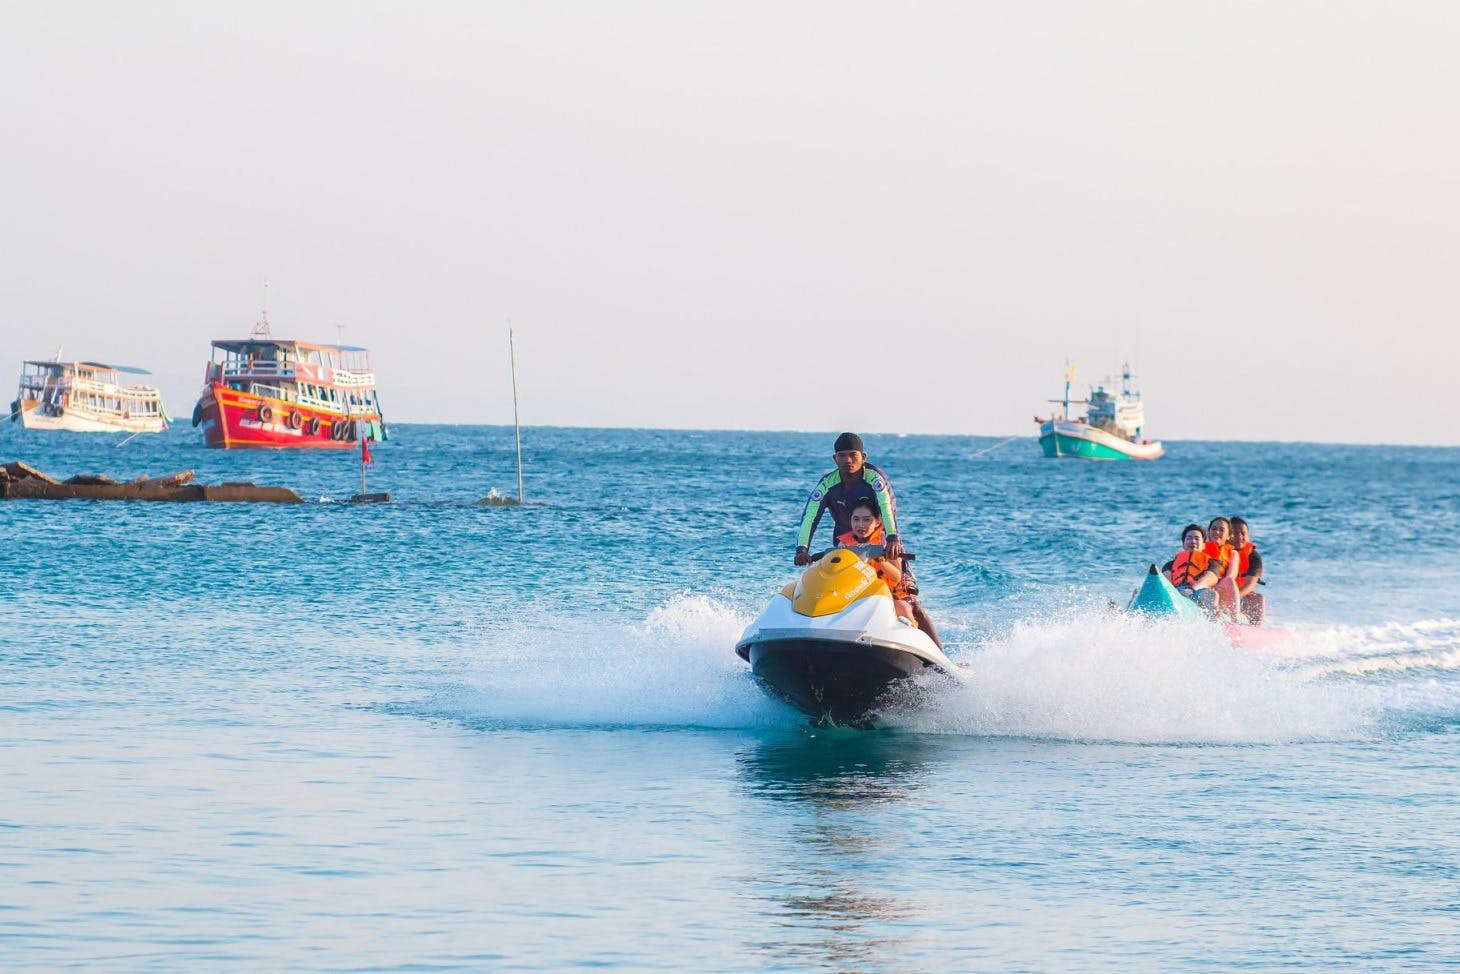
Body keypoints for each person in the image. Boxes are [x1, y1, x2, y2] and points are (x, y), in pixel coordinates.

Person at [795, 432, 902, 566]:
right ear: (835, 458)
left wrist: (892, 537)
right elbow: (810, 517)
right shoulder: (826, 484)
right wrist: (802, 549)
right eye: (842, 455)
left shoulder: (875, 479)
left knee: (895, 547)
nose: (848, 460)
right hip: (844, 543)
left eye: (853, 455)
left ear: (863, 457)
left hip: (878, 541)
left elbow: (887, 507)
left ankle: (906, 577)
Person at [836, 501, 916, 625]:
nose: (860, 525)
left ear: (877, 522)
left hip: (885, 594)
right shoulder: (844, 544)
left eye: (867, 520)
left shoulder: (886, 543)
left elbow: (896, 577)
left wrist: (880, 559)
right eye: (856, 519)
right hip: (856, 593)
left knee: (904, 608)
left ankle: (914, 637)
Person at [1163, 524, 1221, 612]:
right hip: (1176, 591)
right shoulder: (1170, 564)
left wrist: (1192, 589)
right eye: (1189, 538)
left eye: (1197, 538)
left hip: (1198, 591)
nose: (1193, 541)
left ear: (1203, 545)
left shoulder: (1212, 563)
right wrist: (1175, 593)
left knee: (1212, 594)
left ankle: (1212, 621)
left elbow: (1210, 577)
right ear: (1183, 543)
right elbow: (1166, 581)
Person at [1203, 517, 1242, 621]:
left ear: (1228, 536)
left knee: (1229, 580)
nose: (1217, 532)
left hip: (1220, 592)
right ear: (1208, 531)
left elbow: (1230, 577)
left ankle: (1235, 621)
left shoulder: (1233, 553)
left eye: (1221, 529)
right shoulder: (1200, 548)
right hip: (1200, 589)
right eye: (1214, 528)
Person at [1229, 516, 1266, 624]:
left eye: (1243, 533)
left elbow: (1250, 584)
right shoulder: (1221, 552)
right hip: (1221, 591)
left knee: (1258, 598)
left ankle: (1254, 630)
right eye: (1234, 534)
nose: (1239, 537)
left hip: (1241, 594)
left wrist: (1233, 600)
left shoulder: (1253, 556)